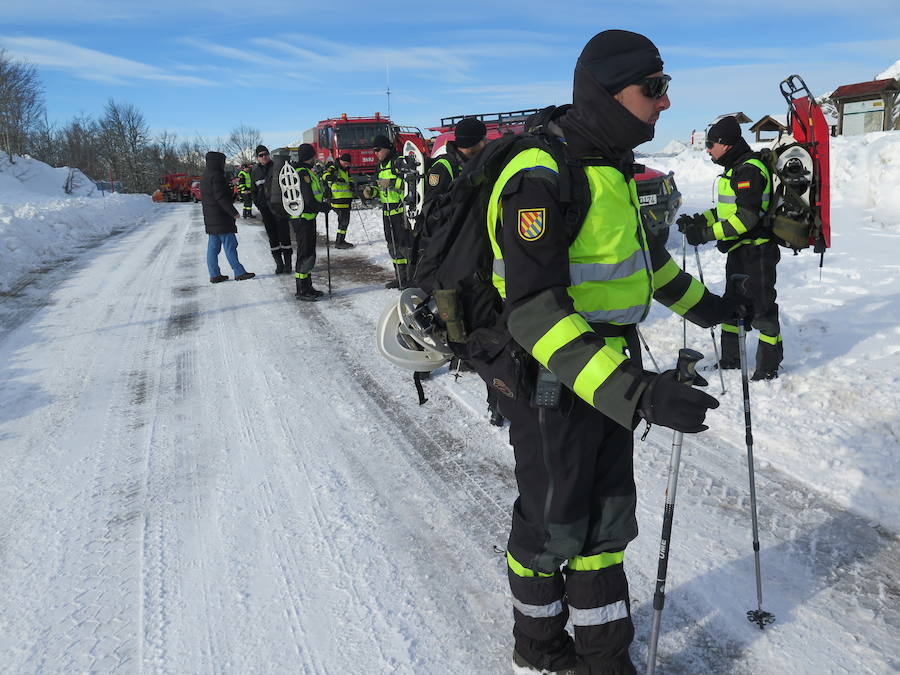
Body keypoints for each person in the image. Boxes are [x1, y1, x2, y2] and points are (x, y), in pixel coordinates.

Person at [481, 30, 746, 673]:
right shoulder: (540, 176)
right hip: (548, 374)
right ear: (606, 94)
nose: (665, 104)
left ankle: (605, 657)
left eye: (666, 88)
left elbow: (643, 266)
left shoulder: (611, 169)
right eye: (653, 90)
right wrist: (642, 392)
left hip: (604, 371)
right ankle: (538, 646)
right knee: (551, 525)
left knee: (605, 522)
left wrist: (710, 308)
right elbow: (534, 311)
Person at [677, 115, 780, 380]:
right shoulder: (735, 168)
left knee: (762, 309)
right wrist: (700, 220)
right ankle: (732, 358)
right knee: (733, 305)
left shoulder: (748, 170)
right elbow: (726, 209)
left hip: (757, 252)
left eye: (711, 144)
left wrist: (706, 234)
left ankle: (768, 367)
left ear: (725, 143)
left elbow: (746, 218)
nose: (708, 149)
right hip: (739, 251)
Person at [363, 135, 410, 288]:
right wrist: (372, 191)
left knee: (405, 247)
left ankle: (411, 279)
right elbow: (381, 187)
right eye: (374, 150)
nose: (375, 153)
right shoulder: (380, 166)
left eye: (378, 150)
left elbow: (410, 183)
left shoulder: (399, 162)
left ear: (387, 148)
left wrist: (392, 182)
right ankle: (400, 278)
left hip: (401, 212)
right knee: (393, 246)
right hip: (387, 212)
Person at [200, 151, 255, 283]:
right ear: (218, 162)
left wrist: (232, 192)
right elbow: (221, 198)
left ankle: (214, 274)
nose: (224, 165)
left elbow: (216, 195)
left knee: (213, 248)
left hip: (211, 218)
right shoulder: (217, 176)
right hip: (221, 218)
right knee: (230, 245)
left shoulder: (205, 176)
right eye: (223, 162)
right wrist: (233, 212)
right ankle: (239, 272)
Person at [290, 143, 328, 301]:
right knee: (305, 254)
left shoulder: (305, 171)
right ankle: (301, 290)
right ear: (310, 156)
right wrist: (322, 206)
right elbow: (308, 198)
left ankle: (307, 286)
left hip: (307, 218)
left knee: (309, 254)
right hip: (303, 219)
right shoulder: (302, 173)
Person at [424, 117, 488, 207]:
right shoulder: (442, 167)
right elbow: (431, 208)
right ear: (476, 142)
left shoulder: (476, 164)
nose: (486, 143)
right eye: (485, 139)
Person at [251, 145, 294, 274]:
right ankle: (279, 264)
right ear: (257, 158)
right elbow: (253, 191)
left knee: (284, 236)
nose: (264, 157)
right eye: (261, 155)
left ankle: (288, 264)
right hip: (265, 210)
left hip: (280, 209)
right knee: (272, 238)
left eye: (265, 154)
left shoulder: (278, 167)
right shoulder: (254, 172)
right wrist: (259, 204)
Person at [324, 153, 355, 249]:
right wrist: (335, 178)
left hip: (346, 199)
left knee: (344, 221)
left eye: (348, 164)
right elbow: (325, 175)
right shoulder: (334, 168)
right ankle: (339, 242)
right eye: (345, 163)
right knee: (343, 221)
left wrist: (351, 184)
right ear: (340, 161)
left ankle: (341, 240)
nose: (346, 165)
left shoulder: (346, 170)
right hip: (338, 199)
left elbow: (349, 179)